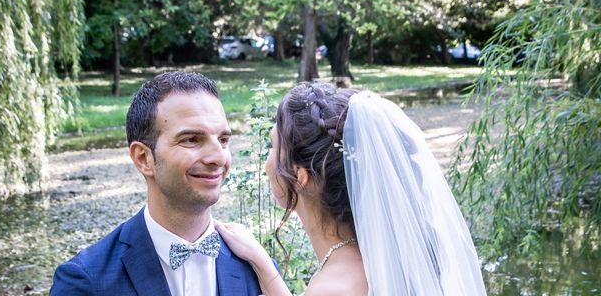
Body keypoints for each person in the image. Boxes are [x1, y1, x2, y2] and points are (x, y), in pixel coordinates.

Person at [216, 82, 487, 295]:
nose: (266, 165)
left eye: (273, 148)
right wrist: (264, 266)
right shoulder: (380, 258)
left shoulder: (334, 287)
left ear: (299, 176)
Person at [50, 71, 262, 296]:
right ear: (143, 158)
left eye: (223, 140)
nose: (218, 158)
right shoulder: (86, 282)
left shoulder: (254, 266)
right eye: (191, 140)